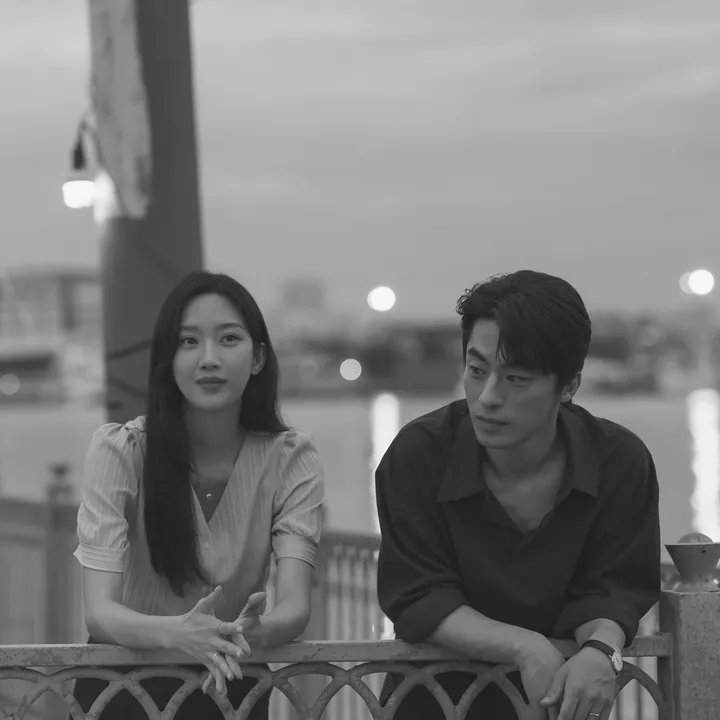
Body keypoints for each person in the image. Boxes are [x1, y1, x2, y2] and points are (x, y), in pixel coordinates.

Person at [375, 270, 660, 720]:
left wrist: (602, 650)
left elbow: (612, 590)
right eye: (477, 370)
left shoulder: (619, 462)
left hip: (557, 707)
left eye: (516, 379)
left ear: (569, 386)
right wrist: (524, 646)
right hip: (433, 704)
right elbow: (419, 594)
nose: (488, 397)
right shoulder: (419, 454)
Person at [72, 271, 325, 719]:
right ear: (167, 360)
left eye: (229, 339)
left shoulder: (291, 459)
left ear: (258, 358)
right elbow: (100, 613)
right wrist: (181, 634)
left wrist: (258, 631)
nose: (209, 359)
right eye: (188, 342)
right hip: (122, 687)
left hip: (233, 681)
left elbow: (295, 605)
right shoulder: (121, 451)